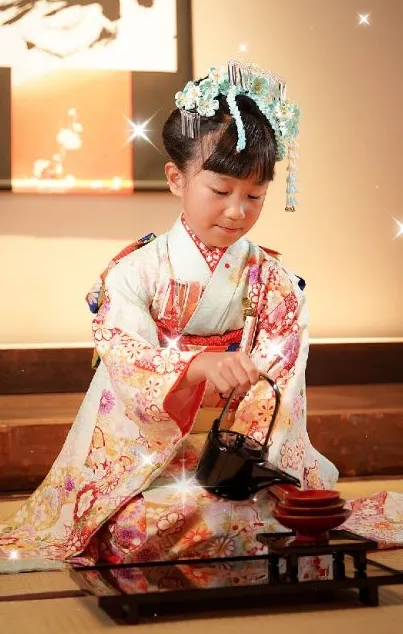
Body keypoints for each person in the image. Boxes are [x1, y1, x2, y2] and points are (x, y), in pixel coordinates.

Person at [1, 61, 400, 584]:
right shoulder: (133, 271)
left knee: (247, 518)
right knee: (143, 529)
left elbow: (280, 384)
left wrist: (236, 459)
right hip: (141, 457)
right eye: (221, 190)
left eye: (255, 196)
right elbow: (124, 358)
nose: (238, 211)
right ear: (176, 178)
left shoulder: (275, 283)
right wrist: (196, 366)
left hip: (234, 458)